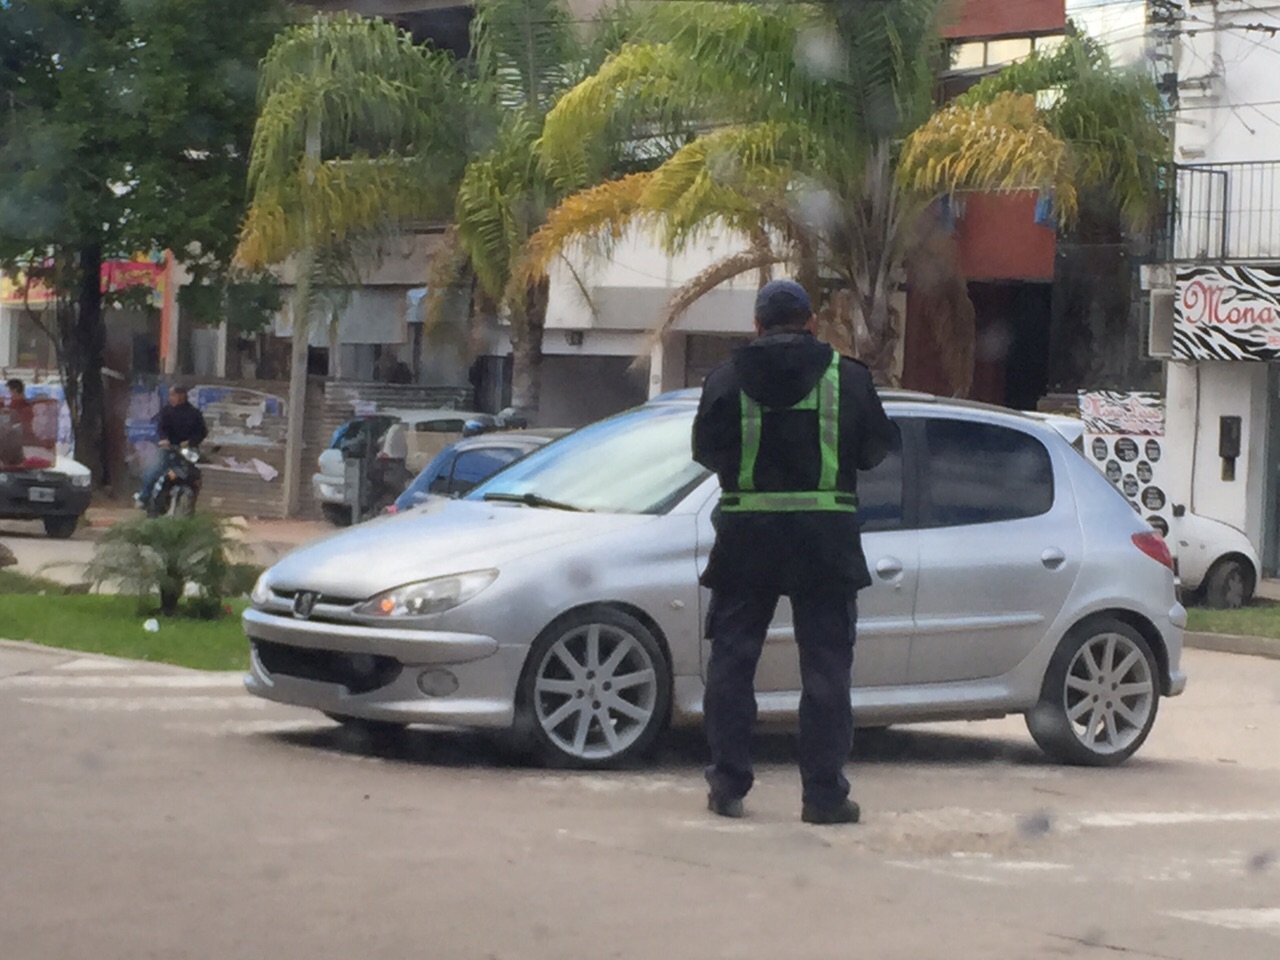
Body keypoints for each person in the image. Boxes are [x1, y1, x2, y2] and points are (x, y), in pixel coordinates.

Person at [692, 279, 896, 825]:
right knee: (826, 671)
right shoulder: (847, 378)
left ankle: (727, 785)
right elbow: (876, 450)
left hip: (746, 539)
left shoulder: (725, 378)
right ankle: (823, 797)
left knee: (733, 664)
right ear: (811, 323)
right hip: (824, 542)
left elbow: (705, 450)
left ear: (756, 326)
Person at [136, 385, 208, 506]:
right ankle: (143, 496)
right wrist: (164, 439)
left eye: (173, 395)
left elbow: (202, 432)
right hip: (168, 448)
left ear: (182, 395)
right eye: (170, 395)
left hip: (187, 450)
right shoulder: (166, 411)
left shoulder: (194, 413)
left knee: (194, 473)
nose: (171, 398)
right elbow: (161, 428)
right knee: (153, 470)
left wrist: (191, 442)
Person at [4, 379, 35, 445]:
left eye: (9, 392)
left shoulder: (18, 405)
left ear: (14, 391)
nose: (8, 395)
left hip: (18, 439)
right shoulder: (28, 404)